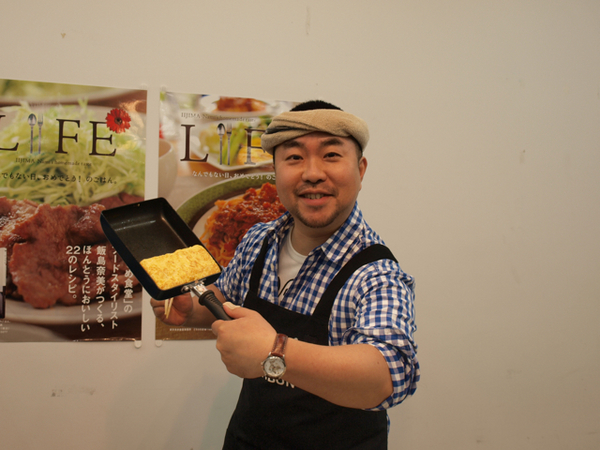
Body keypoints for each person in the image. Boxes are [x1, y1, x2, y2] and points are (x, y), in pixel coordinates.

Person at [151, 100, 420, 449]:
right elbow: (226, 297)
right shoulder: (259, 240)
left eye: (331, 155)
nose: (312, 173)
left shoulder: (376, 273)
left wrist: (273, 350)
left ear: (360, 169)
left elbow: (385, 375)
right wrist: (192, 309)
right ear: (275, 170)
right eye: (294, 157)